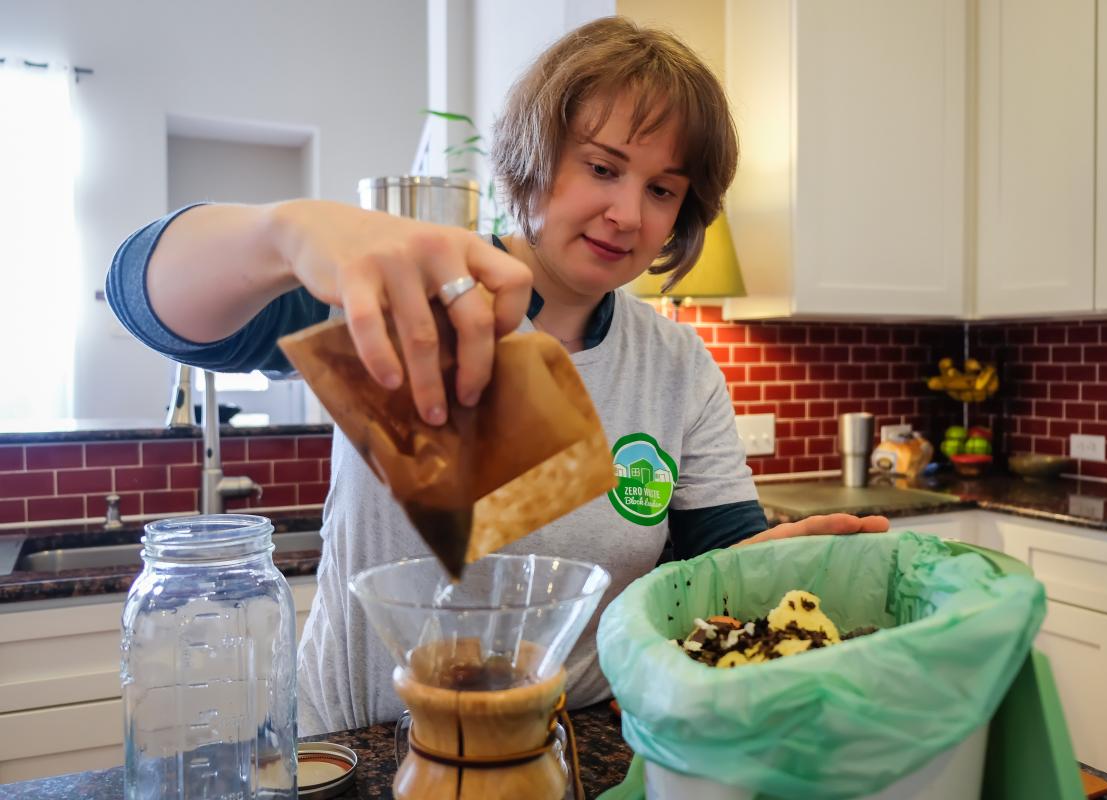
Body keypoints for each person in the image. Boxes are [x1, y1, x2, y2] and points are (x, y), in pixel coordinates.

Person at [107, 16, 888, 735]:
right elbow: (143, 298)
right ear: (536, 157)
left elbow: (716, 561)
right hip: (369, 743)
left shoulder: (678, 366)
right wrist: (287, 232)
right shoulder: (419, 293)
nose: (626, 213)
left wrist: (772, 567)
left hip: (562, 744)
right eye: (602, 167)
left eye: (661, 189)